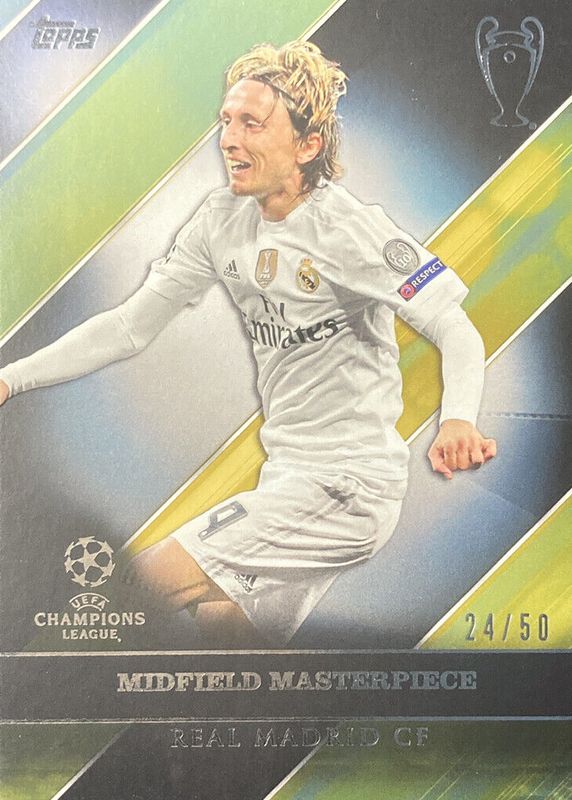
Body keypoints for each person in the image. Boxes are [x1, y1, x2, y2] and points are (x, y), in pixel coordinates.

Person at [0, 42, 496, 645]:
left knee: (132, 593)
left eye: (252, 124)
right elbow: (130, 326)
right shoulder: (220, 222)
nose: (229, 140)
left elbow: (454, 327)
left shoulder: (350, 230)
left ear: (307, 145)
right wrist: (11, 377)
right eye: (226, 121)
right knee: (227, 645)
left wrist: (457, 419)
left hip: (347, 486)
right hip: (289, 477)